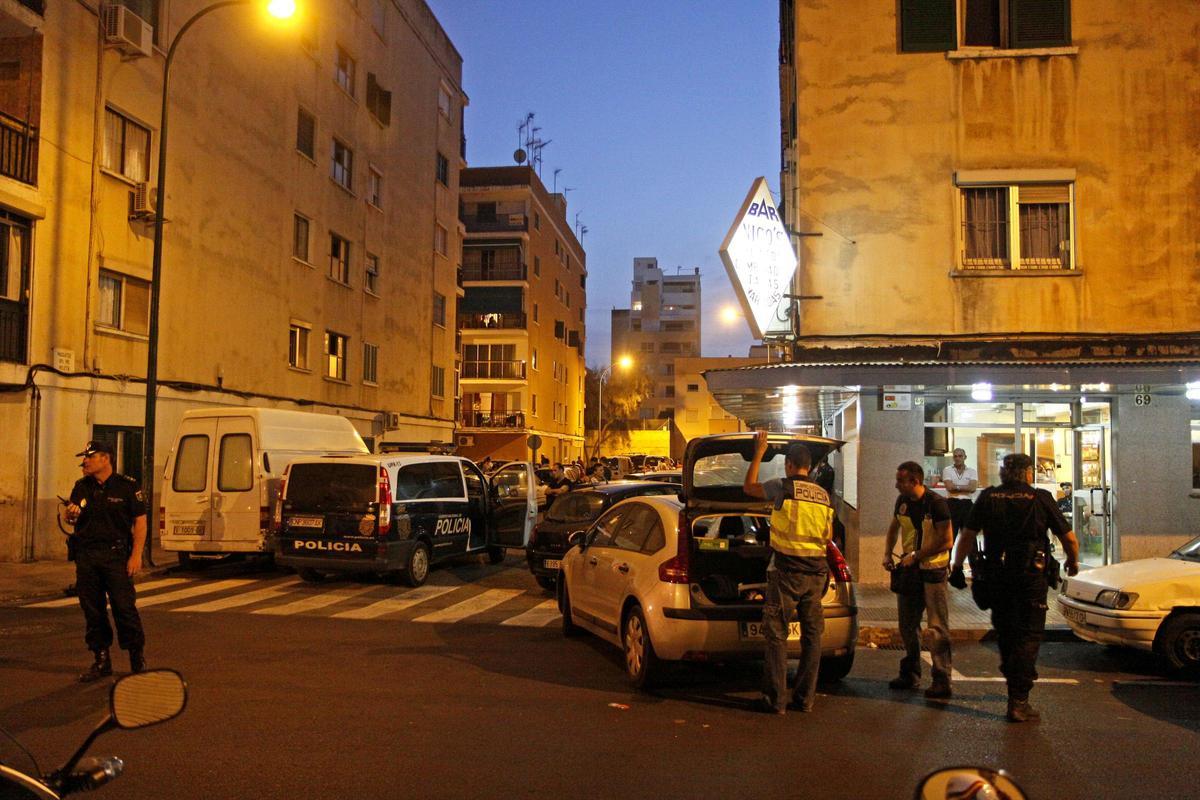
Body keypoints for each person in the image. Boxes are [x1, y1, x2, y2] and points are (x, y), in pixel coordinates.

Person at [950, 452, 1079, 722]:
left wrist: (956, 566)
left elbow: (967, 535)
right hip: (1031, 576)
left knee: (1006, 633)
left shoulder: (988, 497)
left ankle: (1014, 685)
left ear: (1003, 473)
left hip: (997, 575)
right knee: (1029, 634)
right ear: (1028, 472)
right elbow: (1069, 538)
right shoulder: (1040, 497)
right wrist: (1073, 562)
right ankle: (1019, 698)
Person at [743, 430, 834, 715]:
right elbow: (828, 535)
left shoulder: (783, 487)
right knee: (812, 637)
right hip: (816, 572)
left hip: (787, 572)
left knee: (777, 635)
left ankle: (775, 700)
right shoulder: (823, 495)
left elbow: (749, 488)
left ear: (790, 465)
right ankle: (805, 700)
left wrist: (758, 452)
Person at [64, 440, 148, 682]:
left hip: (116, 557)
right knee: (93, 610)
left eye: (90, 457)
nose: (85, 461)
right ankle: (101, 659)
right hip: (87, 557)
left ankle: (136, 657)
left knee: (124, 607)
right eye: (85, 458)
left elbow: (140, 522)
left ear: (105, 459)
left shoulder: (127, 487)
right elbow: (71, 517)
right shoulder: (81, 487)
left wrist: (136, 556)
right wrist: (69, 516)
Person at [883, 461, 954, 699]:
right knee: (907, 625)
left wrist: (916, 556)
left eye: (900, 480)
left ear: (915, 480)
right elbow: (894, 527)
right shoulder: (902, 502)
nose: (896, 485)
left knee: (937, 628)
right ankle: (911, 672)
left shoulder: (936, 504)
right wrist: (887, 553)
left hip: (933, 572)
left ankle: (942, 679)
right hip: (909, 571)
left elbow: (946, 541)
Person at [941, 448, 978, 539]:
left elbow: (973, 488)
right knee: (950, 535)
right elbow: (950, 488)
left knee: (970, 536)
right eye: (955, 456)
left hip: (967, 504)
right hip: (952, 503)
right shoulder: (947, 470)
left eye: (960, 456)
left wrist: (956, 487)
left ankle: (974, 554)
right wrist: (965, 487)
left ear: (965, 457)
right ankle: (948, 553)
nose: (957, 458)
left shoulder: (972, 471)